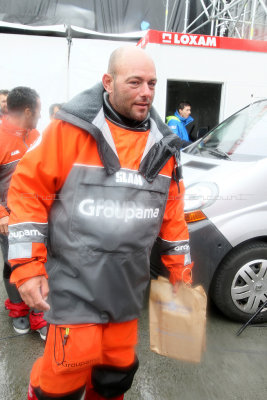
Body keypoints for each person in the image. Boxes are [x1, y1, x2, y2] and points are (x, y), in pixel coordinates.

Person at [7, 46, 193, 400]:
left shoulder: (163, 148)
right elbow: (28, 190)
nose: (146, 92)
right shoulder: (69, 132)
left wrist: (180, 274)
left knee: (114, 380)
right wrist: (28, 268)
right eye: (135, 82)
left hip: (125, 294)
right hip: (73, 291)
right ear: (107, 82)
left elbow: (172, 217)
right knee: (59, 386)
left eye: (152, 83)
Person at [0, 86, 47, 340]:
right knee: (13, 264)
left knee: (39, 262)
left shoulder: (37, 136)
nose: (40, 116)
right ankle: (18, 310)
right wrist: (1, 214)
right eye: (39, 111)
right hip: (9, 219)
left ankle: (39, 313)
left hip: (38, 215)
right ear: (28, 111)